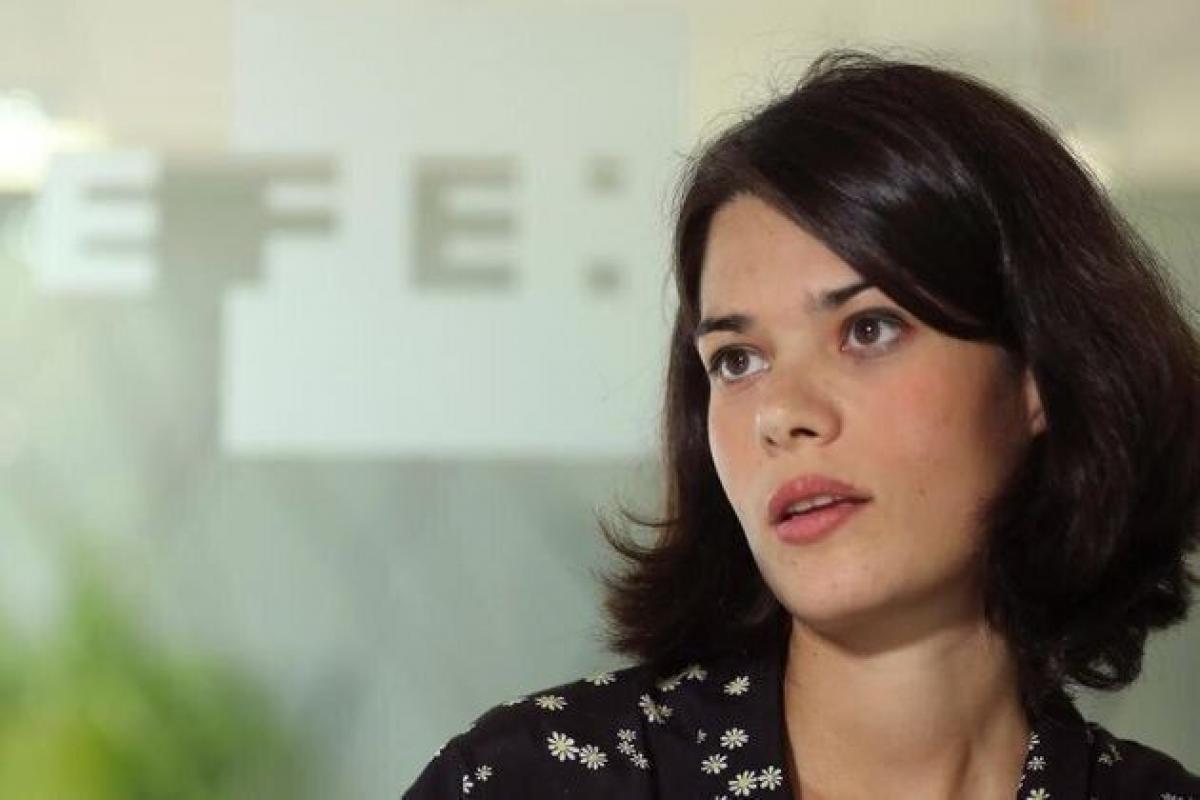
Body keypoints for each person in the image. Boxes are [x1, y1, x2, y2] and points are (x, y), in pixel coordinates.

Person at [403, 50, 1200, 799]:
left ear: (1039, 373)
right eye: (737, 360)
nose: (782, 413)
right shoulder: (531, 780)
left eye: (869, 330)